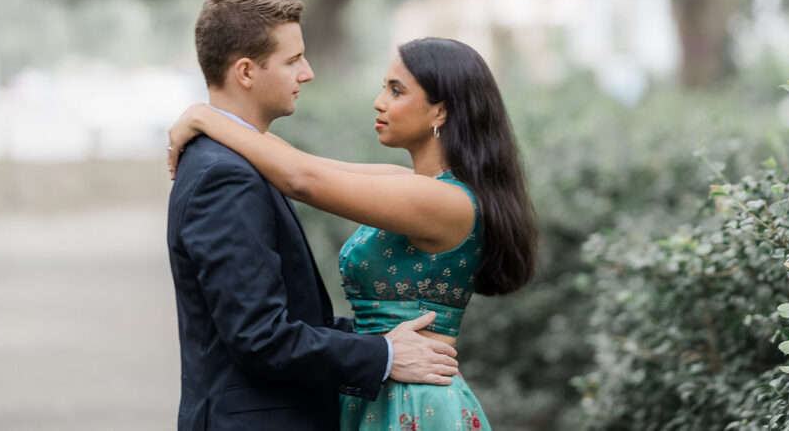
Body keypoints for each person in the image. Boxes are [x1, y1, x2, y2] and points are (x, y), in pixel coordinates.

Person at [168, 33, 538, 430]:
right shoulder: (408, 183)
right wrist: (215, 115)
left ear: (440, 112)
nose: (379, 101)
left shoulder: (442, 201)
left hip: (415, 400)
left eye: (396, 90)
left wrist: (203, 118)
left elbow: (302, 180)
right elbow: (296, 161)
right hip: (381, 384)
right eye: (384, 87)